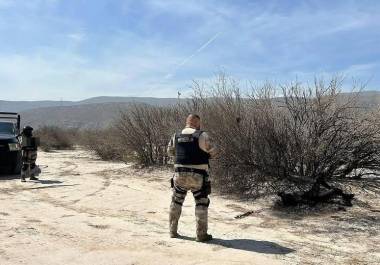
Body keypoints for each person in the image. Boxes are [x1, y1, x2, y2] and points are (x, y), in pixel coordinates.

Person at [167, 114, 216, 242]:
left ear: (186, 122)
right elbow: (213, 152)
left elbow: (170, 152)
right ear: (198, 123)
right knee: (201, 203)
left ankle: (172, 231)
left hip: (179, 174)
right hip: (198, 175)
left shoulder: (175, 136)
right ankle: (201, 235)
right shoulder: (202, 135)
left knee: (176, 201)